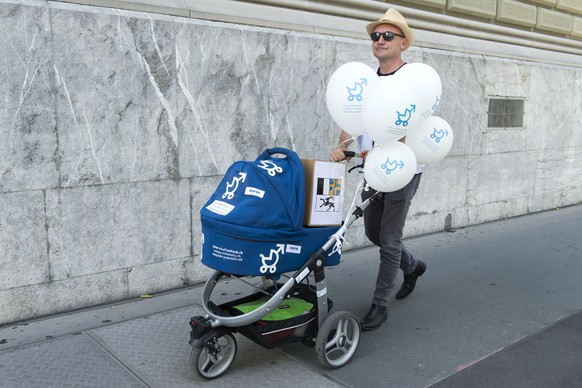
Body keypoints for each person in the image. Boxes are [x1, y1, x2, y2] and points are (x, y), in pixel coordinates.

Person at [329, 8, 426, 331]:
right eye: (376, 36)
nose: (380, 41)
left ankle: (379, 305)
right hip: (373, 168)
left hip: (403, 168)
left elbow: (415, 127)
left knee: (388, 238)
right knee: (373, 231)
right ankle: (411, 267)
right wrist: (342, 147)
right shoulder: (367, 81)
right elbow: (353, 121)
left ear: (403, 43)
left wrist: (386, 146)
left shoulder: (414, 81)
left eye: (388, 36)